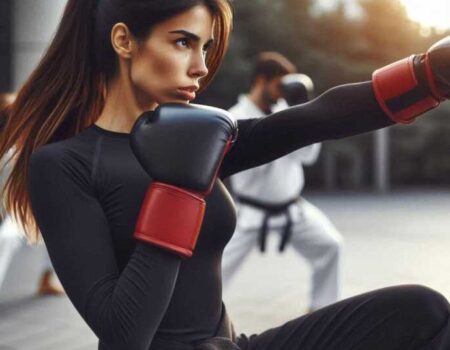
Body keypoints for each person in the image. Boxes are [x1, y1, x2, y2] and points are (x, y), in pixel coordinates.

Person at [1, 1, 450, 349]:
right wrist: (177, 187)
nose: (200, 65)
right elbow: (124, 333)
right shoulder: (63, 164)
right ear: (124, 41)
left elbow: (314, 119)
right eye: (183, 42)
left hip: (231, 345)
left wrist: (431, 76)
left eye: (206, 47)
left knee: (420, 310)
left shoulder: (194, 135)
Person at [222, 55, 343, 311]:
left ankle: (322, 310)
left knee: (330, 245)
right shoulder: (235, 118)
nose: (282, 93)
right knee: (214, 270)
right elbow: (247, 170)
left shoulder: (285, 112)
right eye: (279, 85)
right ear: (261, 80)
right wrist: (277, 130)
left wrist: (305, 115)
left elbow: (307, 157)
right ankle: (196, 323)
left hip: (292, 209)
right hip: (249, 213)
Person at [0, 93, 63, 296]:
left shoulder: (38, 143)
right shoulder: (8, 152)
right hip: (14, 209)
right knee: (8, 236)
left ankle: (46, 279)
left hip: (30, 206)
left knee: (59, 227)